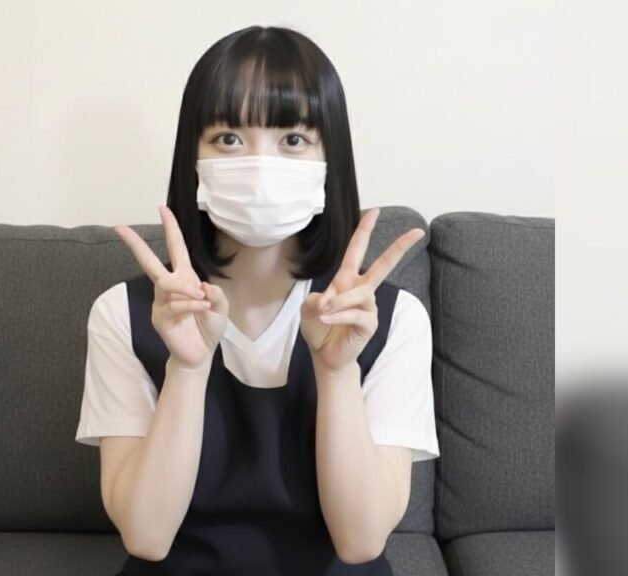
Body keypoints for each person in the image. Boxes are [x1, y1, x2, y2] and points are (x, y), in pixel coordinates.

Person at [75, 25, 439, 575]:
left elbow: (361, 541)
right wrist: (186, 369)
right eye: (228, 139)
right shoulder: (121, 315)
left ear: (329, 160)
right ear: (192, 157)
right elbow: (146, 536)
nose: (261, 166)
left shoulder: (393, 319)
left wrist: (337, 372)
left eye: (292, 140)